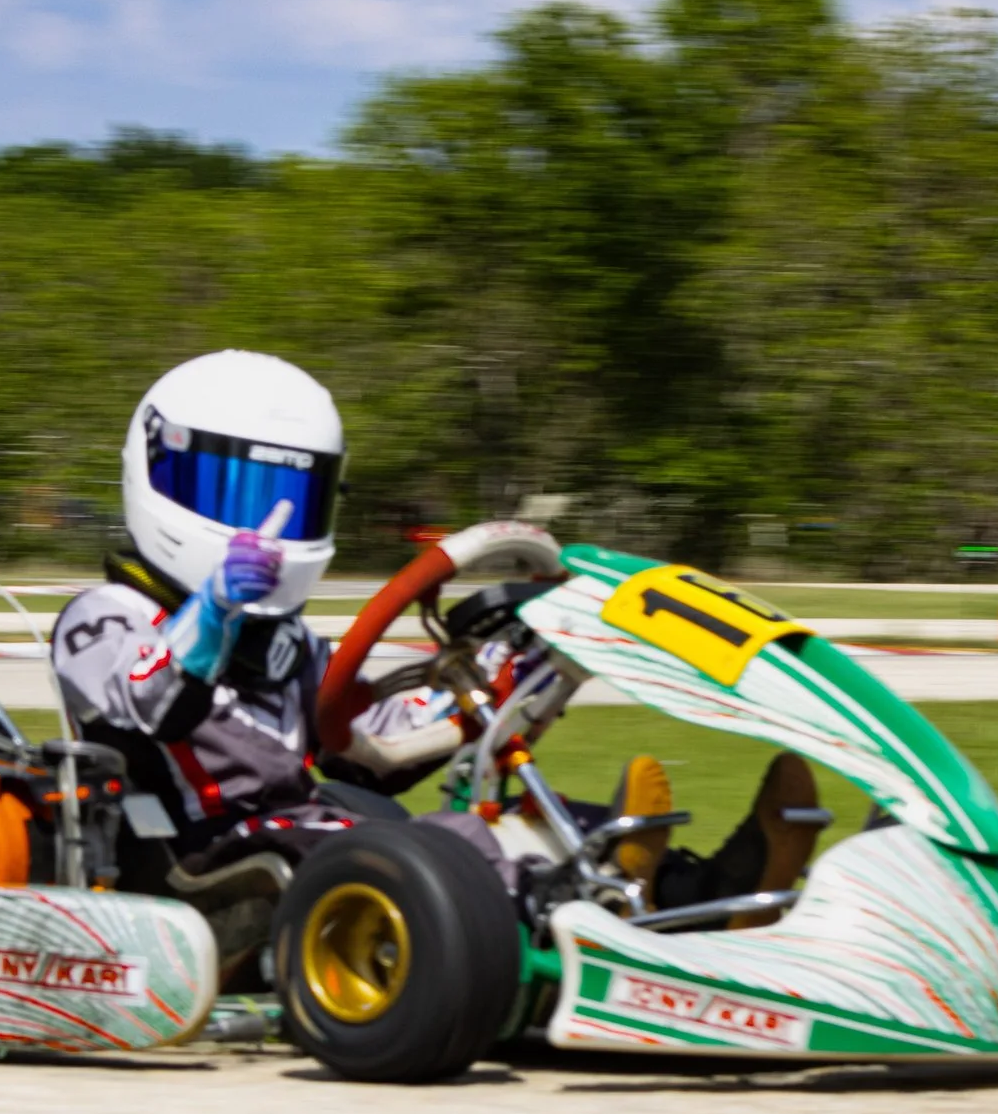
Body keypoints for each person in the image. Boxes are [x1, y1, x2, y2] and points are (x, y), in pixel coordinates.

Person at [50, 349, 827, 907]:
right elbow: (148, 698)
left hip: (317, 833)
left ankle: (720, 891)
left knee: (501, 821)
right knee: (436, 851)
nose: (267, 523)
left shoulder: (289, 643)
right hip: (208, 865)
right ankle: (592, 901)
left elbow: (370, 748)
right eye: (237, 489)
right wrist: (212, 610)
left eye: (289, 493)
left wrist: (523, 662)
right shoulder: (101, 617)